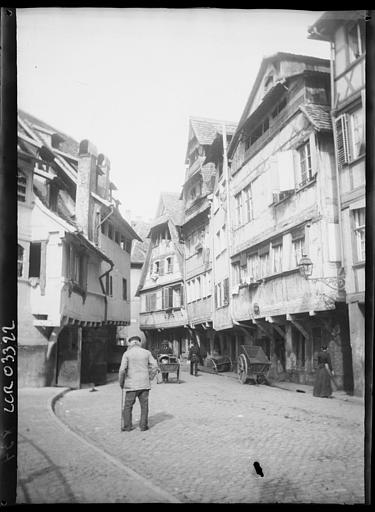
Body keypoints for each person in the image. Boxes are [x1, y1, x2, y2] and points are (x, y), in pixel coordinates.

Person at [119, 336, 158, 431]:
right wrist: (150, 377)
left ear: (130, 343)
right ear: (139, 343)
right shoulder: (147, 353)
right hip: (144, 384)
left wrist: (121, 382)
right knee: (144, 406)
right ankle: (143, 426)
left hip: (131, 384)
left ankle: (127, 426)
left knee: (128, 406)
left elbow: (122, 370)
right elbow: (155, 366)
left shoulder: (127, 354)